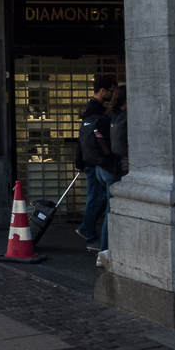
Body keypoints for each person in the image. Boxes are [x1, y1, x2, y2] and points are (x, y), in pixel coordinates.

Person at [75, 74, 117, 252]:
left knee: (98, 198)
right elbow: (83, 138)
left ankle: (86, 227)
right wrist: (80, 161)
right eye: (111, 91)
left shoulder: (94, 108)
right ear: (102, 90)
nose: (113, 95)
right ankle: (89, 234)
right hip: (94, 161)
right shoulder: (94, 110)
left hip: (91, 160)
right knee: (96, 199)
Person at [97, 86, 128, 270]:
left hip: (102, 167)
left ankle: (105, 250)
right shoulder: (125, 117)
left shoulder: (110, 115)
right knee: (111, 212)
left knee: (108, 208)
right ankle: (104, 252)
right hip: (114, 169)